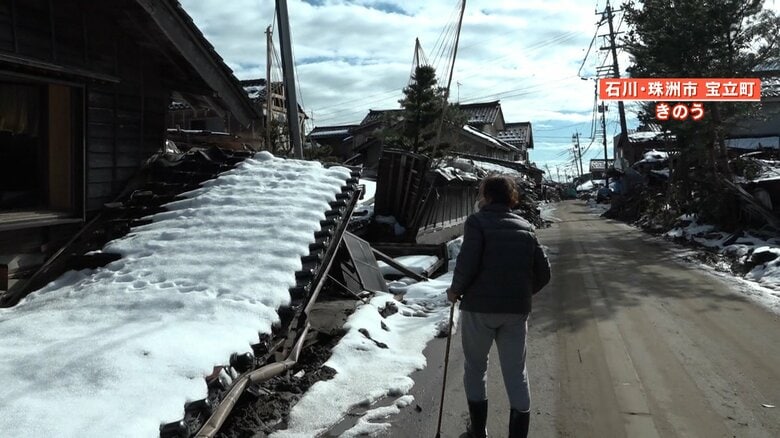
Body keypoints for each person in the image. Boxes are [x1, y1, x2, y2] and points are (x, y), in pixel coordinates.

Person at [447, 175, 551, 438]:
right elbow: (544, 272)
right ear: (511, 197)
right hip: (515, 312)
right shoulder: (526, 226)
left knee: (476, 368)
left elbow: (467, 261)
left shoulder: (477, 222)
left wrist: (455, 290)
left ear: (487, 196)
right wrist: (521, 294)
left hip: (478, 310)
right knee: (516, 372)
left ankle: (478, 432)